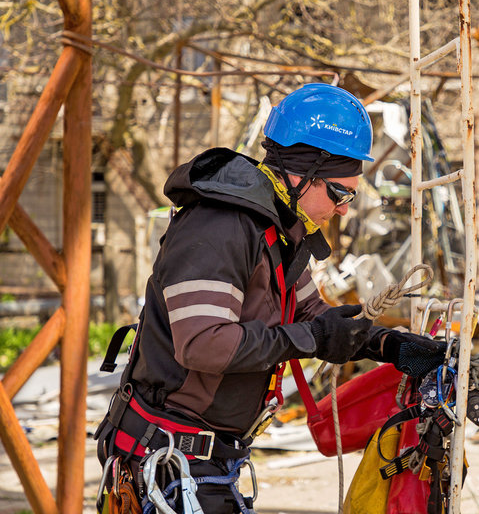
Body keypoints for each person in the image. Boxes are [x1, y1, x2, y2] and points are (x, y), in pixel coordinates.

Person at [95, 83, 444, 513]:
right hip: (169, 461)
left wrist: (390, 344)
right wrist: (313, 338)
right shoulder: (218, 228)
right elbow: (204, 343)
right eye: (340, 193)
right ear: (301, 174)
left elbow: (314, 315)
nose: (344, 210)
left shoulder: (277, 231)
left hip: (209, 462)